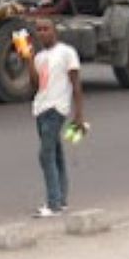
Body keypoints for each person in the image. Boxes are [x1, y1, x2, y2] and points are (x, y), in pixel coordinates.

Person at [20, 19, 85, 217]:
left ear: (54, 31)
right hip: (40, 109)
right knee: (56, 155)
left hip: (57, 109)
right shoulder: (40, 57)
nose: (42, 33)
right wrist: (28, 59)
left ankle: (53, 203)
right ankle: (61, 200)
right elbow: (35, 84)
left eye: (46, 29)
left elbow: (76, 84)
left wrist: (79, 114)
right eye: (39, 30)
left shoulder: (67, 52)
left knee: (45, 155)